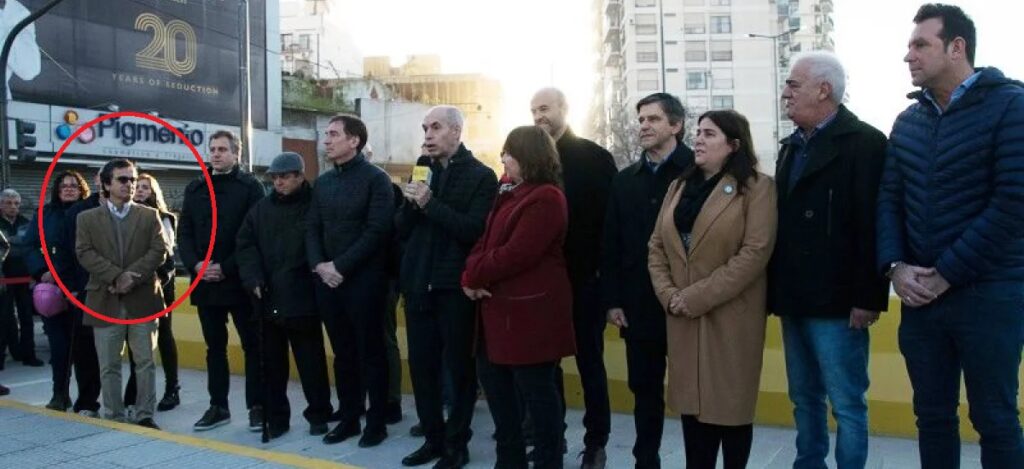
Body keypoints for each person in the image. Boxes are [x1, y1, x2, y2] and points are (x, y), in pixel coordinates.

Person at [876, 4, 1024, 467]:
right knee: (933, 418)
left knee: (995, 419)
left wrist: (946, 273)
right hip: (922, 300)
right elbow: (889, 201)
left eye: (921, 44)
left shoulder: (1012, 106)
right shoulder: (908, 122)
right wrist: (895, 268)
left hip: (991, 295)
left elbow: (1013, 201)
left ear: (957, 48)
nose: (909, 56)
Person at [767, 51, 890, 469]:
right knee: (803, 398)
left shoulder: (866, 143)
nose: (785, 93)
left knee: (847, 402)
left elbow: (873, 224)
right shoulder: (790, 148)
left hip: (840, 304)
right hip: (795, 299)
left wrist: (868, 297)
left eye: (793, 84)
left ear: (823, 90)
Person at [648, 110, 777, 469]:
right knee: (692, 413)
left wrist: (694, 297)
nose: (698, 140)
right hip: (682, 317)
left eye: (709, 134)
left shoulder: (757, 188)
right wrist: (669, 295)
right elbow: (656, 246)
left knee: (730, 411)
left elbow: (754, 254)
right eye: (698, 132)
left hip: (730, 318)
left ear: (733, 144)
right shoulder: (678, 187)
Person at [463, 125, 576, 469]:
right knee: (499, 397)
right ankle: (509, 460)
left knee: (537, 397)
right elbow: (484, 242)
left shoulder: (546, 197)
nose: (503, 158)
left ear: (529, 156)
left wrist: (474, 274)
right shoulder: (508, 192)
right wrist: (469, 277)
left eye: (509, 153)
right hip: (496, 316)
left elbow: (518, 253)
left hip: (530, 318)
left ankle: (548, 461)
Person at [396, 105, 497, 468]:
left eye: (436, 127)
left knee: (459, 370)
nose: (428, 134)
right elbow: (401, 229)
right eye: (425, 128)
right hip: (418, 285)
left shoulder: (481, 176)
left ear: (456, 131)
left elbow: (473, 231)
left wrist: (430, 204)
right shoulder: (422, 170)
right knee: (422, 369)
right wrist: (412, 205)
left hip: (454, 289)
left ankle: (457, 444)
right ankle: (433, 439)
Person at [601, 92, 694, 469]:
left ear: (676, 125)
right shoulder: (625, 181)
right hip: (638, 305)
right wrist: (612, 300)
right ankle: (645, 460)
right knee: (644, 390)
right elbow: (610, 244)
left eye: (653, 119)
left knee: (694, 393)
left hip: (688, 303)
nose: (644, 126)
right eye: (641, 119)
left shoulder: (699, 173)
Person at [530, 88, 616, 467]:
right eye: (533, 111)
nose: (539, 117)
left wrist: (601, 279)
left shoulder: (594, 158)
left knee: (589, 364)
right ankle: (553, 439)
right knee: (545, 366)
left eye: (544, 108)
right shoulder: (531, 163)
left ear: (565, 109)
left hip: (584, 283)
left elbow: (611, 226)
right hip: (542, 285)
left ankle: (596, 443)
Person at [308, 114, 394, 447]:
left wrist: (340, 266)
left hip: (365, 282)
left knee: (372, 353)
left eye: (333, 134)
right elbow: (312, 228)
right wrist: (320, 265)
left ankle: (377, 422)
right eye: (326, 134)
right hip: (328, 283)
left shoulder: (376, 179)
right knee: (343, 354)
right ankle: (349, 418)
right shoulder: (324, 182)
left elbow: (377, 231)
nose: (326, 140)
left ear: (354, 140)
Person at [236, 152, 333, 439]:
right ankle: (277, 419)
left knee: (311, 363)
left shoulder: (316, 204)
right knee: (273, 366)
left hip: (304, 298)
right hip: (268, 298)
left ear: (300, 176)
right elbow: (245, 245)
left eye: (285, 176)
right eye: (275, 177)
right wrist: (252, 277)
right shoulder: (261, 209)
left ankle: (319, 414)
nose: (278, 182)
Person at [178, 130, 266, 431]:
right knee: (214, 348)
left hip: (239, 281)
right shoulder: (195, 188)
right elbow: (185, 233)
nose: (216, 154)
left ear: (236, 153)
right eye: (213, 149)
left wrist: (225, 268)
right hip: (205, 281)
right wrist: (197, 265)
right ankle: (218, 406)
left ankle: (258, 406)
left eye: (222, 149)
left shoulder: (251, 187)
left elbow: (253, 234)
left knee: (253, 345)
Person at [75, 159, 169, 429]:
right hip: (104, 298)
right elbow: (84, 252)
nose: (130, 184)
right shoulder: (86, 218)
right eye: (123, 179)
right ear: (106, 184)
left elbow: (159, 250)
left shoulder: (149, 215)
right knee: (108, 364)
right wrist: (116, 276)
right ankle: (114, 415)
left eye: (133, 179)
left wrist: (131, 276)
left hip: (143, 299)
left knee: (145, 361)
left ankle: (144, 414)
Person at [24, 170, 101, 415]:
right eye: (63, 186)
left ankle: (87, 401)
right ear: (57, 191)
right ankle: (60, 393)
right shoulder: (44, 214)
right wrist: (41, 271)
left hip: (82, 287)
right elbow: (30, 245)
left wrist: (59, 272)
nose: (68, 189)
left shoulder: (91, 212)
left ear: (81, 189)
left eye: (73, 185)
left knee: (85, 348)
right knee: (58, 346)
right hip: (51, 290)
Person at [122, 173, 181, 412]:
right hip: (134, 284)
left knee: (164, 336)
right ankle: (136, 389)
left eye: (146, 187)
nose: (140, 190)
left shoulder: (164, 217)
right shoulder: (124, 215)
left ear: (154, 191)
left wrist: (158, 279)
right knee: (136, 338)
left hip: (160, 284)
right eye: (138, 186)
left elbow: (166, 254)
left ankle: (172, 388)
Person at [0, 188, 43, 367]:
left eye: (16, 203)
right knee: (4, 318)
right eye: (8, 203)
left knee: (26, 317)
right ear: (1, 205)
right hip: (3, 277)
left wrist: (35, 274)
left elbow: (32, 246)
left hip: (25, 277)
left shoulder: (26, 223)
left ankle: (28, 355)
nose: (13, 207)